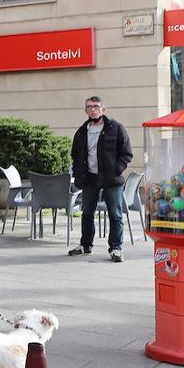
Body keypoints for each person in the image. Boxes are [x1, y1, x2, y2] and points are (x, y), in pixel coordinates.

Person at [69, 95, 133, 262]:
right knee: (87, 212)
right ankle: (86, 245)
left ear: (103, 109)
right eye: (89, 107)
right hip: (90, 178)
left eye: (96, 106)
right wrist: (78, 173)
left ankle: (116, 248)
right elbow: (75, 155)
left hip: (112, 179)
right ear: (85, 110)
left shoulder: (116, 128)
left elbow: (126, 153)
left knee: (115, 214)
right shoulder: (82, 131)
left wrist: (117, 169)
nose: (92, 109)